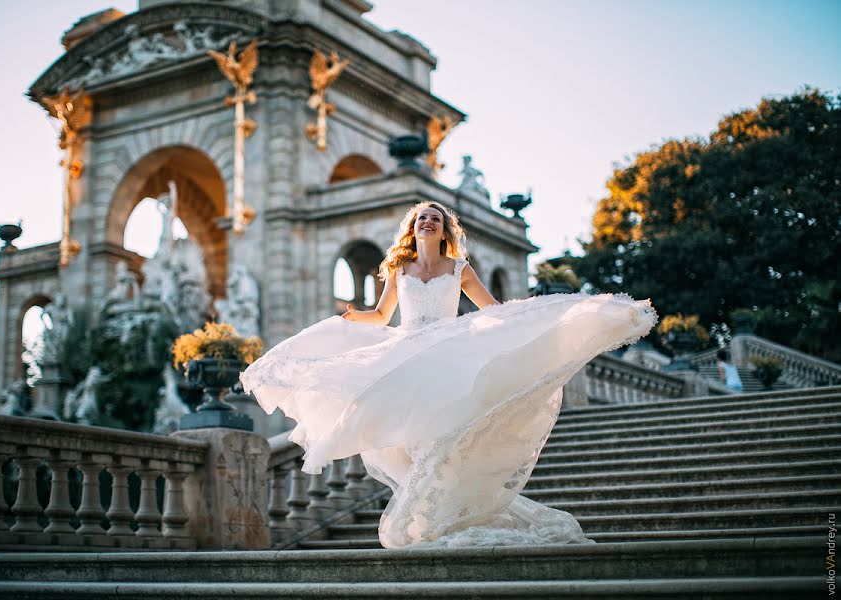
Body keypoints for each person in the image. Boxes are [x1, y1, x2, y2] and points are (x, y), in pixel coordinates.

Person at [239, 201, 658, 549]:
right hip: (405, 352)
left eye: (435, 219)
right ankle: (435, 514)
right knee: (400, 434)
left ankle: (443, 514)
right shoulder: (399, 268)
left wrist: (529, 318)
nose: (427, 222)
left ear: (444, 232)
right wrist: (352, 318)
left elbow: (491, 309)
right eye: (421, 217)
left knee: (439, 435)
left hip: (443, 351)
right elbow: (383, 315)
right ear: (413, 227)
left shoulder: (459, 269)